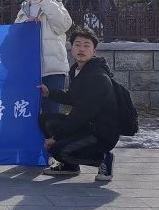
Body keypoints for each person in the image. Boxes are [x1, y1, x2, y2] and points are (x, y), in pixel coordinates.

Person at [37, 27, 119, 181]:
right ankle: (70, 166)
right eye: (77, 45)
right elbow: (73, 98)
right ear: (72, 49)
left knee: (57, 148)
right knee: (45, 120)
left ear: (94, 51)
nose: (81, 49)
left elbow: (82, 113)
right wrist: (49, 94)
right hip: (86, 125)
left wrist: (56, 137)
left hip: (100, 132)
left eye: (86, 45)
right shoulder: (78, 70)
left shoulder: (98, 76)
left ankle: (103, 158)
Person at [15, 0, 72, 114]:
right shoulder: (23, 10)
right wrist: (25, 26)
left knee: (51, 111)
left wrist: (45, 2)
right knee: (30, 112)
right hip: (30, 69)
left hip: (53, 69)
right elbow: (15, 38)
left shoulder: (55, 3)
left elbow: (63, 26)